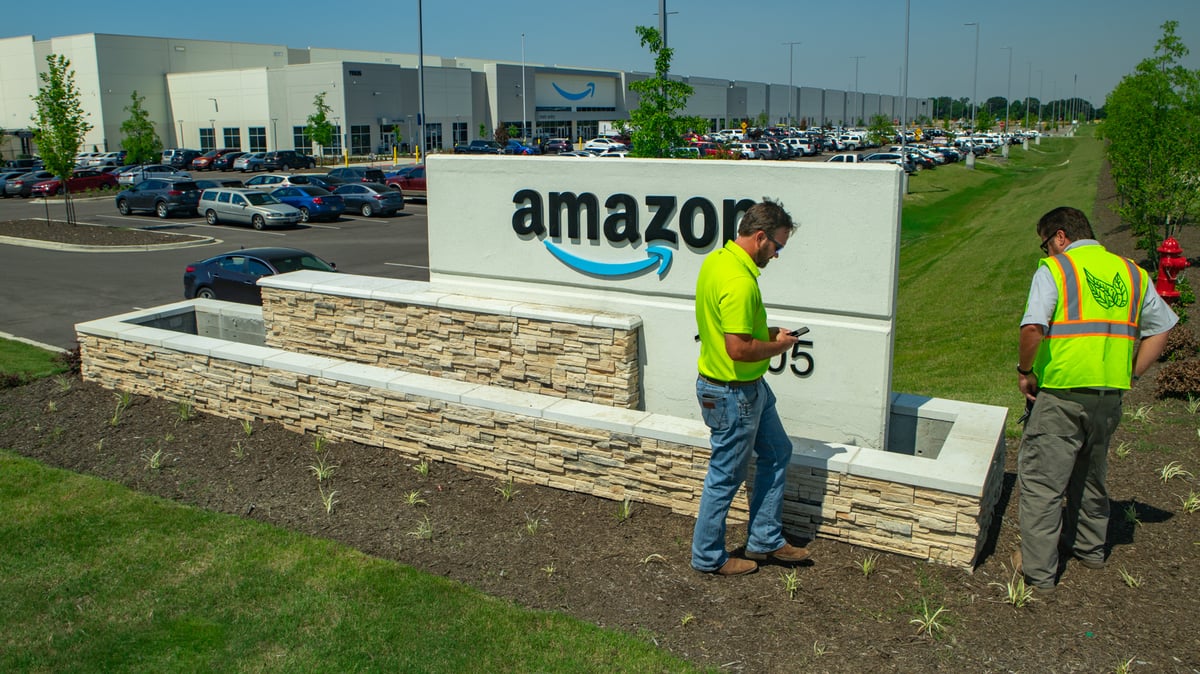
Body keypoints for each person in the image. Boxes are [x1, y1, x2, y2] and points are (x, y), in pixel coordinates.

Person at [1014, 206, 1177, 592]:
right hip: (1109, 396)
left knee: (1043, 483)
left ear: (1059, 237)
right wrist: (1130, 374)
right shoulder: (1132, 273)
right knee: (1090, 475)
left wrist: (1025, 372)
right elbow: (1163, 329)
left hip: (1062, 393)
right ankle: (1089, 550)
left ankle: (1038, 572)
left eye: (1045, 244)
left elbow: (1034, 326)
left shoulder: (1057, 270)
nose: (1046, 253)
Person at [691, 197, 811, 576]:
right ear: (760, 237)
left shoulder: (717, 261)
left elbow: (735, 330)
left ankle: (764, 540)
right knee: (725, 476)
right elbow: (739, 348)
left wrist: (768, 332)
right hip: (733, 394)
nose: (777, 255)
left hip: (744, 389)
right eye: (777, 246)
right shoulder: (740, 281)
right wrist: (779, 345)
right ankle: (707, 557)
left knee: (778, 451)